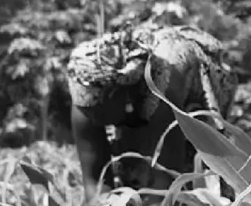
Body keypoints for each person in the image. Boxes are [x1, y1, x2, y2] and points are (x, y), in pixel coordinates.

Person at [65, 22, 237, 194]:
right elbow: (95, 184)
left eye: (96, 110)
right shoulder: (86, 96)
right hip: (133, 103)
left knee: (194, 178)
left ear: (117, 93)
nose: (89, 117)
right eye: (84, 108)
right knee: (130, 174)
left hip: (193, 83)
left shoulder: (163, 87)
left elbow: (166, 184)